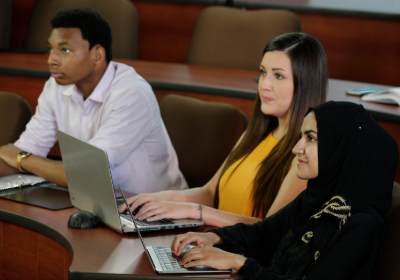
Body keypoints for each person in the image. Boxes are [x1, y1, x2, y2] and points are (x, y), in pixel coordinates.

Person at [171, 101, 398, 280]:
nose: (296, 148)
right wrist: (214, 238)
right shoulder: (314, 200)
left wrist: (237, 263)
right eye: (301, 137)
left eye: (310, 138)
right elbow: (260, 234)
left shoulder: (360, 225)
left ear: (341, 149)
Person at [119, 32, 327, 227]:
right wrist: (160, 198)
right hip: (212, 243)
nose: (264, 84)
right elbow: (210, 193)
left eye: (278, 76)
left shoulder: (306, 154)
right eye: (263, 73)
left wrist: (195, 211)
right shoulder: (254, 135)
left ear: (305, 85)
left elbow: (269, 230)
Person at [0, 7, 187, 193]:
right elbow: (21, 150)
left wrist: (23, 159)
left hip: (153, 210)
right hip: (96, 199)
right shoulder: (56, 85)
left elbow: (85, 174)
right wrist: (18, 157)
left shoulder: (131, 94)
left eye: (65, 50)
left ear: (97, 55)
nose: (51, 59)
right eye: (51, 49)